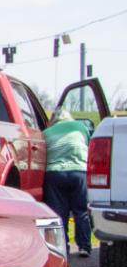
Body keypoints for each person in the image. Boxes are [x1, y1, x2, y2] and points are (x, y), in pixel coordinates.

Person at [43, 107, 93, 257]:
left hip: (55, 174)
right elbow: (89, 146)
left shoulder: (46, 133)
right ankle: (84, 246)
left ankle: (62, 247)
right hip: (79, 172)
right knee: (81, 211)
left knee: (59, 213)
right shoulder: (80, 127)